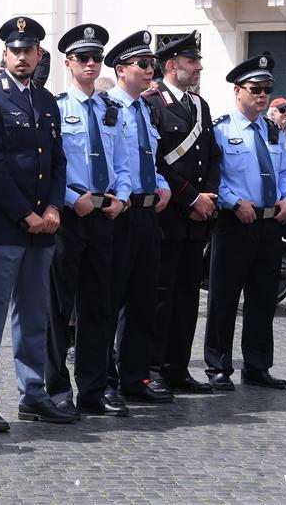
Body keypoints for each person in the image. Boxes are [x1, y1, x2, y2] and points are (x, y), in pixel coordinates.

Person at [0, 16, 74, 432]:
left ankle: (33, 395)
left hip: (43, 225)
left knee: (34, 316)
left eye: (30, 50)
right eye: (16, 50)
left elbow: (57, 160)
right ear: (5, 54)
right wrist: (25, 214)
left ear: (39, 55)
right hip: (5, 226)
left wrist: (52, 209)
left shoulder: (46, 101)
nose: (23, 57)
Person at [47, 23, 131, 419]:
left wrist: (124, 198)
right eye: (83, 58)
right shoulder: (57, 108)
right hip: (69, 215)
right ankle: (56, 387)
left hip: (105, 215)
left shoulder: (110, 110)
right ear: (69, 63)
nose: (92, 64)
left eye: (97, 58)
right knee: (59, 308)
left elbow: (124, 163)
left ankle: (94, 388)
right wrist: (70, 199)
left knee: (100, 306)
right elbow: (50, 166)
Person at [204, 55, 286, 391]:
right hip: (234, 221)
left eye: (267, 90)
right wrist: (233, 202)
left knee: (262, 298)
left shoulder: (273, 130)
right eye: (256, 89)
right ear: (237, 90)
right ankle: (218, 366)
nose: (262, 96)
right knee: (224, 298)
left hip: (270, 224)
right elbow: (215, 177)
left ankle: (257, 366)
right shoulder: (221, 129)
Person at [143, 31, 221, 394]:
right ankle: (153, 367)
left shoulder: (199, 105)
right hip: (168, 216)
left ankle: (178, 366)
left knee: (188, 296)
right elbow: (155, 161)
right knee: (159, 296)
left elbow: (212, 156)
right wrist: (191, 198)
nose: (199, 67)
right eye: (193, 62)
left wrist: (209, 195)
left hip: (196, 219)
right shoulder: (151, 103)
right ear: (172, 66)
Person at [102, 30, 173, 404]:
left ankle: (136, 376)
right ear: (121, 69)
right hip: (121, 214)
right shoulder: (106, 107)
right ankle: (106, 379)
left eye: (152, 64)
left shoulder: (145, 109)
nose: (151, 70)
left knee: (144, 300)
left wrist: (163, 184)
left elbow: (147, 158)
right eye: (144, 64)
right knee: (111, 301)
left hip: (148, 213)